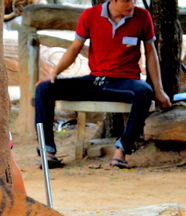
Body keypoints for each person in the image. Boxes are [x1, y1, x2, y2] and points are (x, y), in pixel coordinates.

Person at [34, 0, 172, 170]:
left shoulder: (142, 17)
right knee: (43, 89)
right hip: (94, 81)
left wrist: (159, 90)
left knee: (145, 92)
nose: (132, 5)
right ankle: (47, 152)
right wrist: (54, 73)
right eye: (127, 1)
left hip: (124, 83)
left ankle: (121, 151)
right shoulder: (90, 15)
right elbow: (74, 48)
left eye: (134, 0)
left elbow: (151, 53)